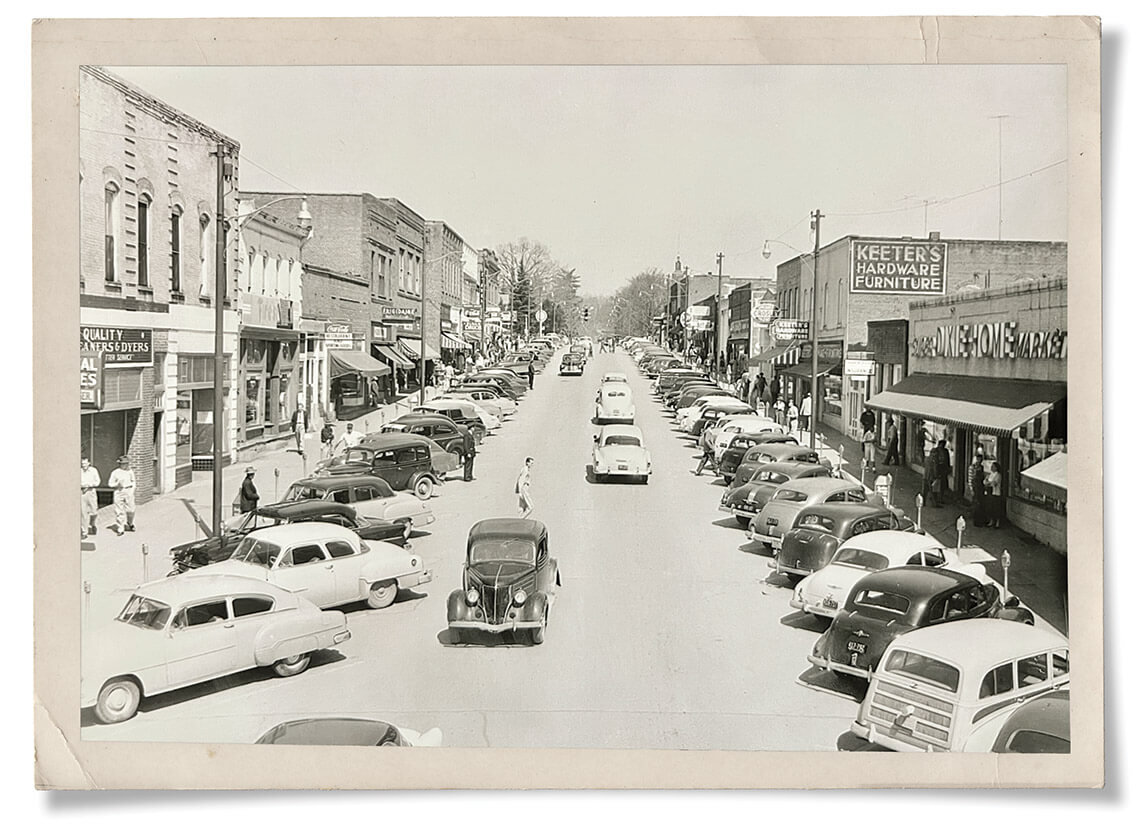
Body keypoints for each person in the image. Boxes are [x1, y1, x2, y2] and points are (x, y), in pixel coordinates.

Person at [107, 456, 136, 536]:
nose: (125, 465)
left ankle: (130, 523)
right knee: (119, 511)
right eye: (123, 464)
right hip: (119, 491)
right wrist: (117, 484)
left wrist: (132, 490)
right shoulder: (115, 472)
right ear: (120, 464)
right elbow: (110, 484)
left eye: (126, 464)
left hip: (128, 490)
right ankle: (120, 528)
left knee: (131, 510)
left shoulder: (130, 472)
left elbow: (133, 482)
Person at [80, 457, 100, 538]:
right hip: (82, 493)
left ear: (89, 463)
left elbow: (97, 482)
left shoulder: (93, 471)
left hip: (91, 492)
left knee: (94, 511)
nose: (83, 465)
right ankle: (84, 532)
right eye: (82, 464)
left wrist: (89, 484)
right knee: (83, 513)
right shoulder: (79, 471)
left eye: (85, 463)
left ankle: (93, 523)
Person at [968, 451, 988, 527]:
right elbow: (970, 478)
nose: (980, 461)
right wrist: (971, 489)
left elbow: (982, 477)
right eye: (978, 459)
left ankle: (981, 520)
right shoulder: (972, 467)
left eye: (981, 459)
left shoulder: (982, 467)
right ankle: (976, 521)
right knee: (976, 504)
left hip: (981, 488)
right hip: (975, 487)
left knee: (981, 504)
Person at [985, 461, 1005, 528]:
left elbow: (994, 483)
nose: (991, 467)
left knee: (996, 508)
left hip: (996, 493)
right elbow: (985, 481)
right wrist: (987, 482)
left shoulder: (998, 475)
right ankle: (991, 521)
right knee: (990, 507)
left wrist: (988, 482)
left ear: (996, 468)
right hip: (989, 492)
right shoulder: (990, 474)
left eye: (993, 466)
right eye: (991, 466)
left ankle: (997, 522)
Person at [933, 439, 952, 505]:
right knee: (936, 484)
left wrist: (948, 468)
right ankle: (935, 498)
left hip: (943, 469)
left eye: (944, 445)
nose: (943, 446)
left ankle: (941, 498)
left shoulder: (946, 451)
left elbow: (948, 460)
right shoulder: (935, 450)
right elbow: (933, 461)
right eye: (942, 444)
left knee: (943, 485)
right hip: (937, 468)